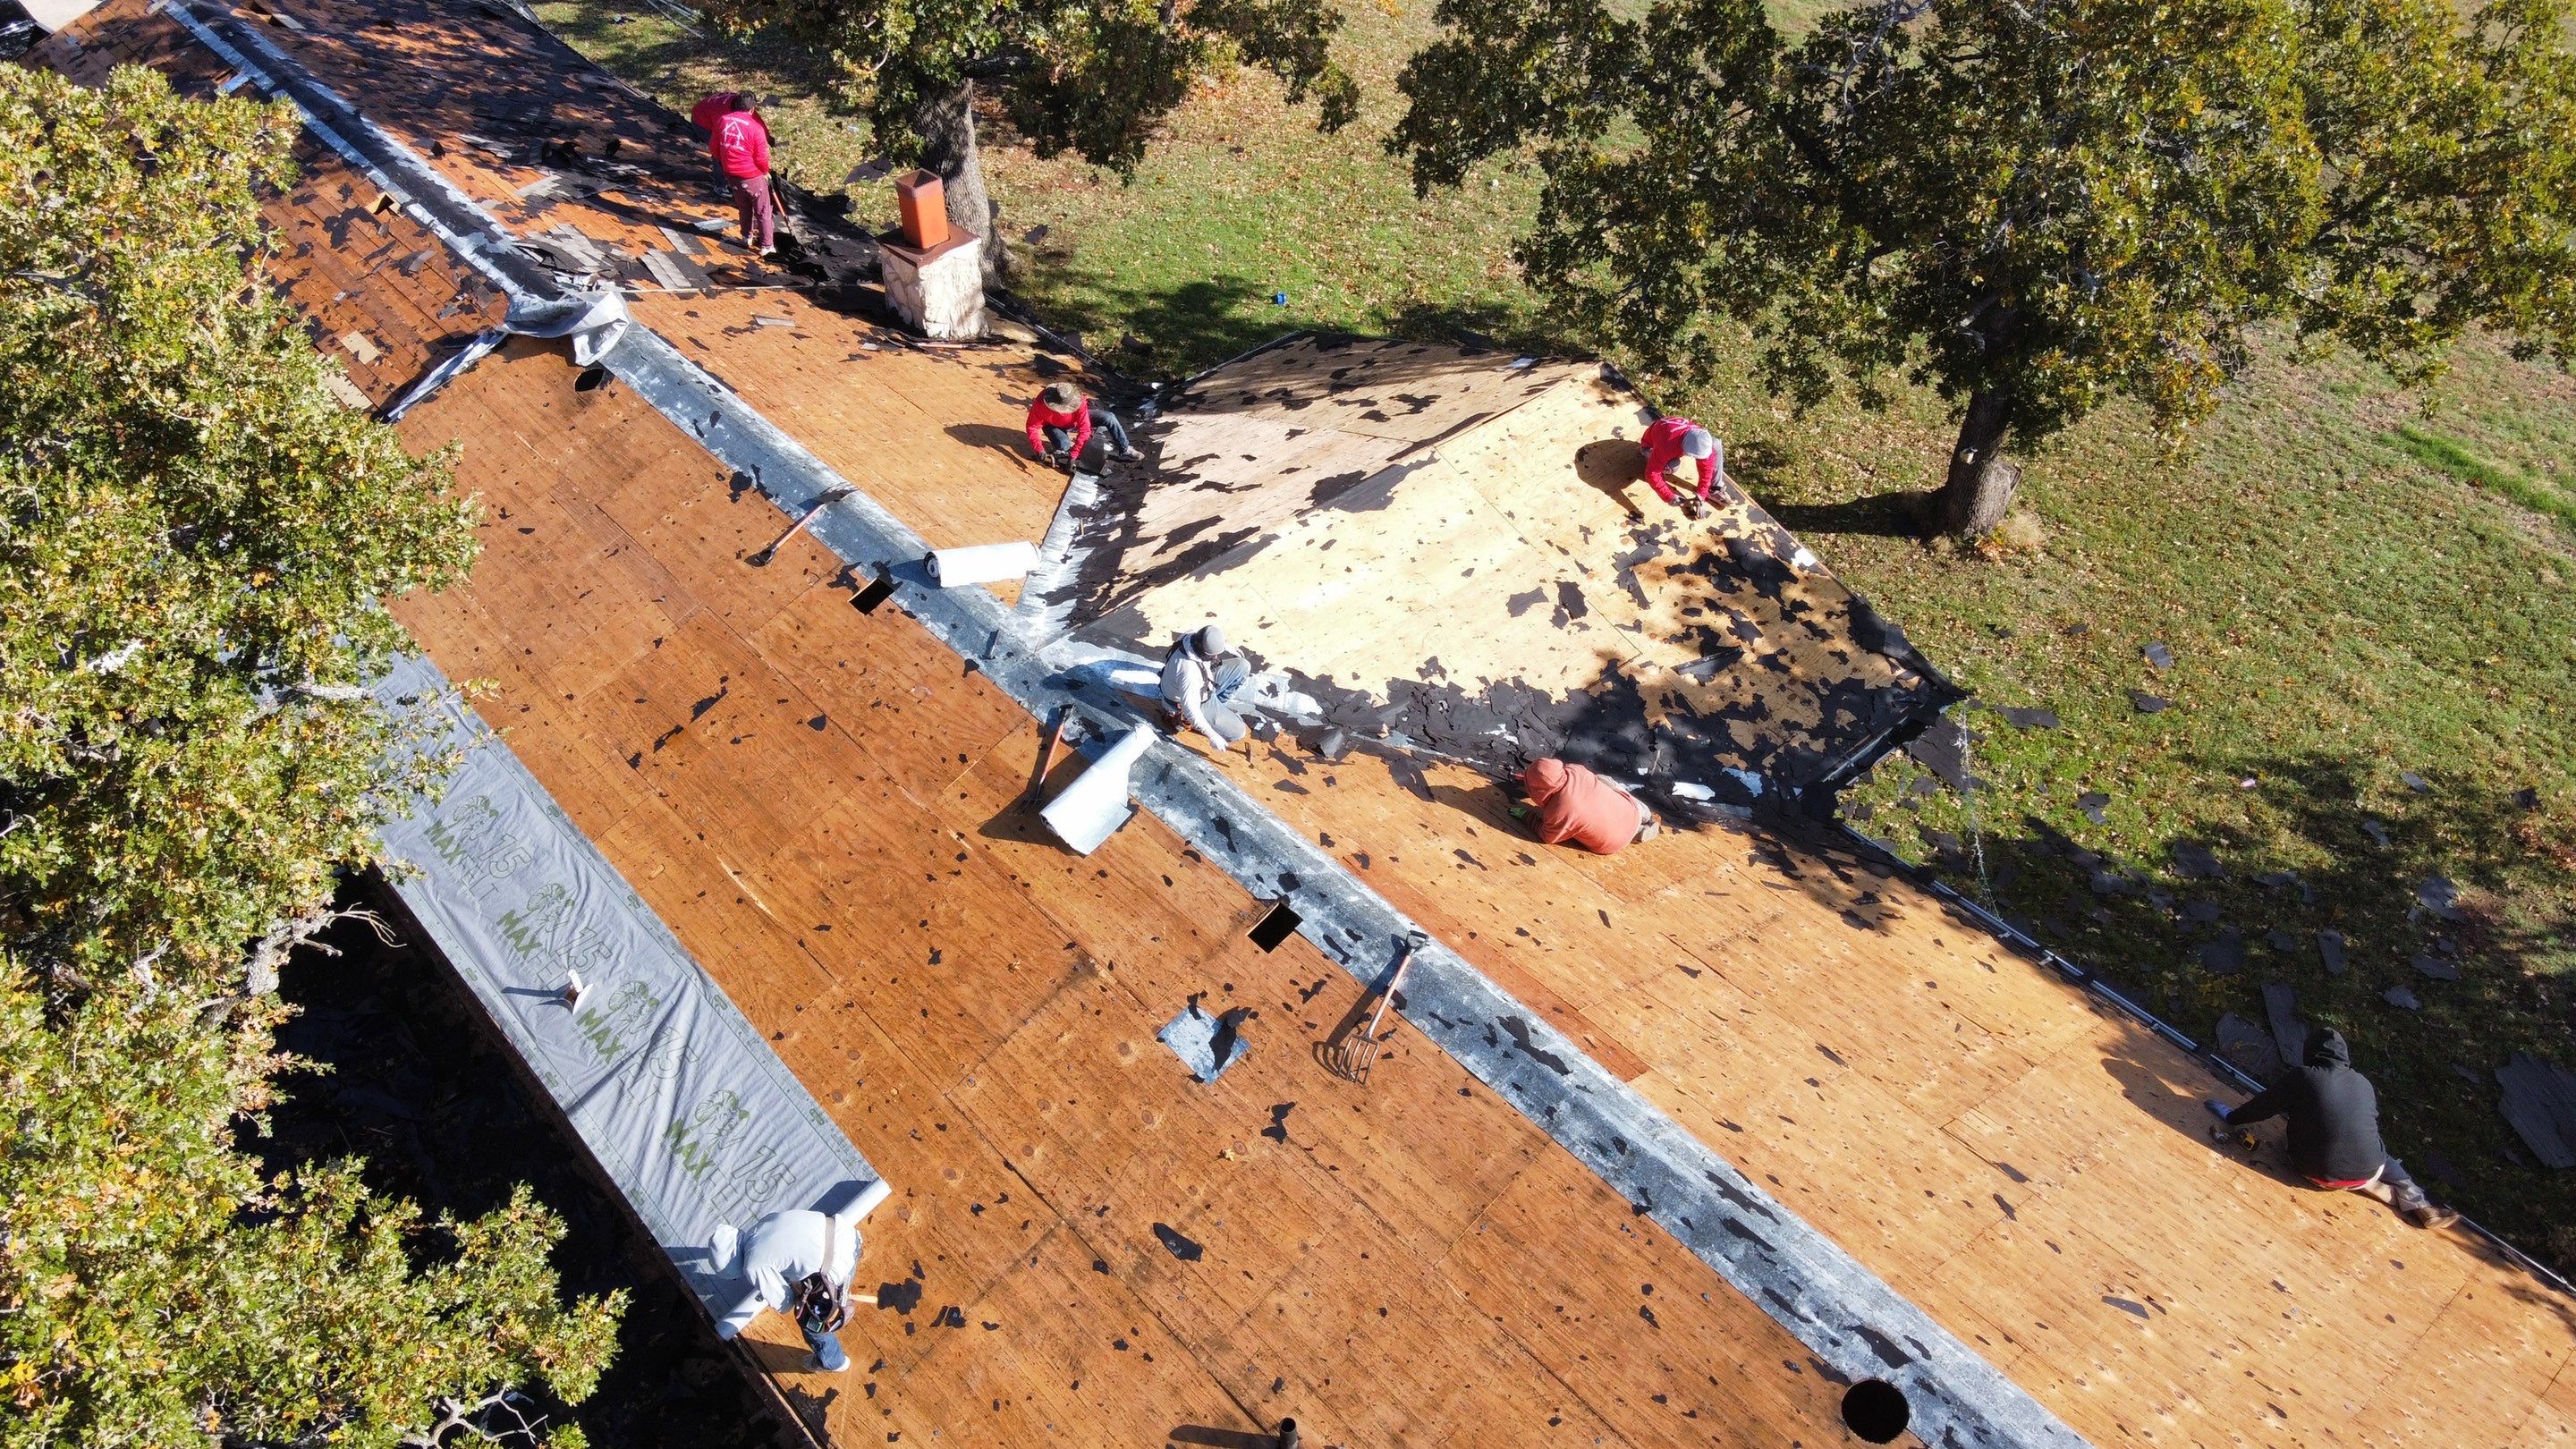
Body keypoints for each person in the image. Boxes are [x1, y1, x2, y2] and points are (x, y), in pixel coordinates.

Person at [2207, 1029, 2458, 1229]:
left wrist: (2231, 1117)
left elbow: (2262, 1107)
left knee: (2286, 1136)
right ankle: (2417, 1201)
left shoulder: (2303, 1076)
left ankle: (2361, 1184)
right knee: (2379, 1154)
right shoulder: (2363, 1083)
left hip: (2313, 1172)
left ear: (2311, 1052)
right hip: (2369, 1169)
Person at [707, 1207, 862, 1369]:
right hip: (849, 1236)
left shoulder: (752, 1266)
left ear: (733, 1267)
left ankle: (834, 1362)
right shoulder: (763, 1223)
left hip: (842, 1266)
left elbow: (785, 1303)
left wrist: (790, 1293)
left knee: (808, 1319)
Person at [1518, 758, 1658, 856]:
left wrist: (1526, 816)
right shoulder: (1576, 770)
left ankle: (1639, 833)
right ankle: (1644, 815)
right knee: (1602, 780)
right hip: (1632, 811)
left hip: (1613, 843)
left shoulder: (1558, 812)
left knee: (1575, 824)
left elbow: (1548, 837)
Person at [1161, 625, 1251, 751]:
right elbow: (1191, 710)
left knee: (1243, 666)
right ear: (1202, 652)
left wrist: (1224, 646)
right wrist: (1212, 735)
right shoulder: (1189, 673)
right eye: (1212, 656)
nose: (1216, 658)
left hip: (1205, 683)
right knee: (1238, 732)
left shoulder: (1191, 636)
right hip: (1192, 702)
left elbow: (1209, 637)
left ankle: (1218, 709)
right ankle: (1205, 718)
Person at [1026, 380, 1143, 472]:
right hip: (1052, 425)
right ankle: (1063, 448)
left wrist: (1074, 455)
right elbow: (1032, 426)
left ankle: (1125, 449)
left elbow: (1085, 430)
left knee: (1109, 417)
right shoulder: (1041, 402)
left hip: (1074, 422)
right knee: (1063, 445)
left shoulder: (1078, 401)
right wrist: (1038, 449)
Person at [712, 93, 776, 258]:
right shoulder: (756, 128)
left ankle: (746, 236)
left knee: (744, 206)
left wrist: (725, 163)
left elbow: (714, 147)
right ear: (752, 109)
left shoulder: (722, 121)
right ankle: (767, 245)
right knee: (763, 210)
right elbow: (761, 157)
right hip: (752, 175)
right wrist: (765, 171)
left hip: (731, 175)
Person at [1638, 415, 1722, 517]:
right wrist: (1669, 496)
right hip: (1649, 446)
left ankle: (1714, 489)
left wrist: (1701, 496)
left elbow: (1706, 469)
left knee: (1716, 443)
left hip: (1668, 436)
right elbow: (1651, 474)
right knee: (1673, 466)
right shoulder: (1666, 445)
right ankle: (1660, 472)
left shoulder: (1701, 437)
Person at [688, 90, 738, 195]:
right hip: (700, 122)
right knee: (719, 152)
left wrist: (767, 136)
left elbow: (755, 120)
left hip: (707, 115)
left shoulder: (744, 103)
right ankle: (720, 186)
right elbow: (720, 139)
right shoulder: (722, 114)